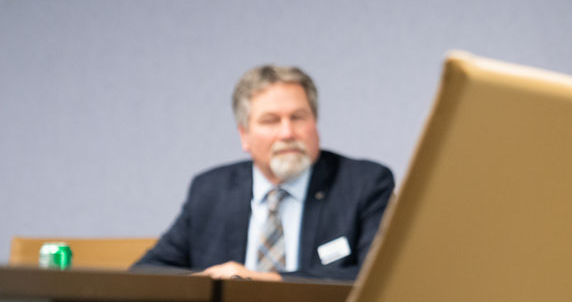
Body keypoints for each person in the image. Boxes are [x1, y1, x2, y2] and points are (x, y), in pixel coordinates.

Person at [133, 65, 394, 281]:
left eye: (298, 117)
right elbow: (146, 273)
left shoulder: (363, 183)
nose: (287, 133)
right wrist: (209, 283)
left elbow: (378, 277)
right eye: (271, 121)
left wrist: (261, 283)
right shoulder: (211, 190)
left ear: (315, 124)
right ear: (244, 136)